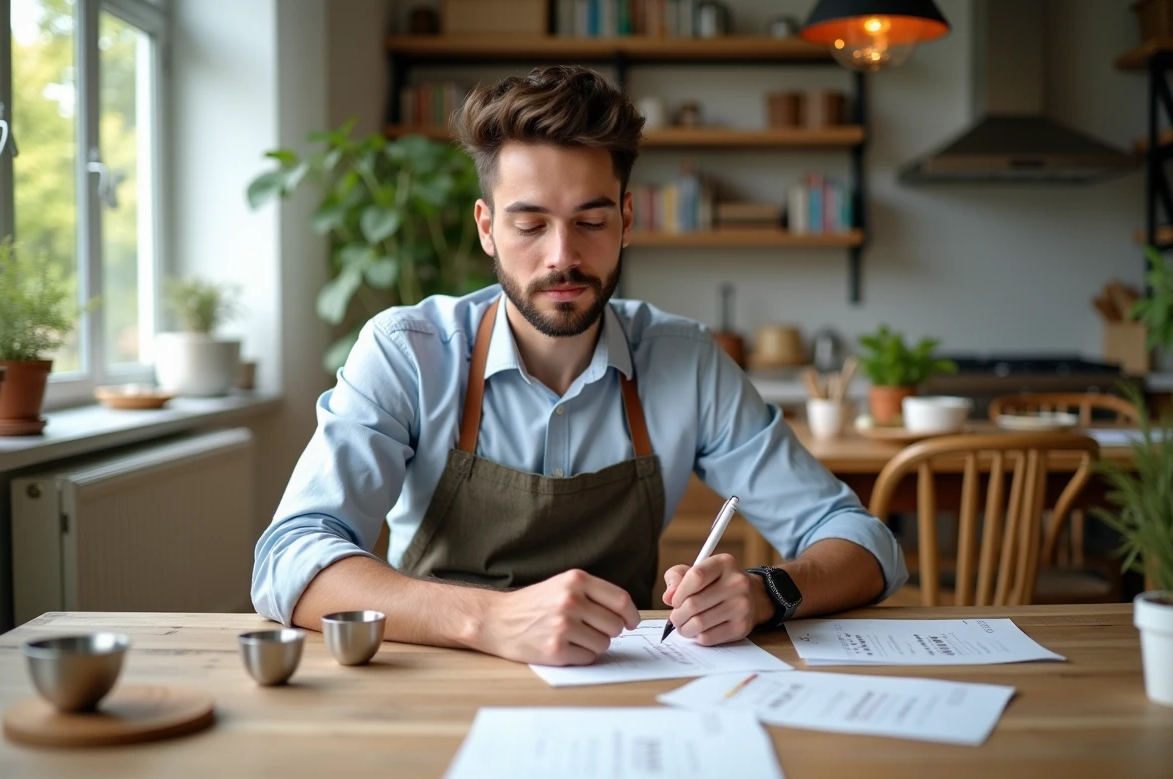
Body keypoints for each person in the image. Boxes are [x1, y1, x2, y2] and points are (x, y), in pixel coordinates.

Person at [252, 65, 907, 666]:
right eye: (530, 224)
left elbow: (862, 541)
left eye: (590, 221)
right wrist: (490, 619)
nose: (561, 256)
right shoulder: (406, 352)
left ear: (625, 220)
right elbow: (291, 558)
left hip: (628, 685)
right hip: (437, 685)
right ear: (486, 228)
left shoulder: (686, 360)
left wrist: (769, 593)